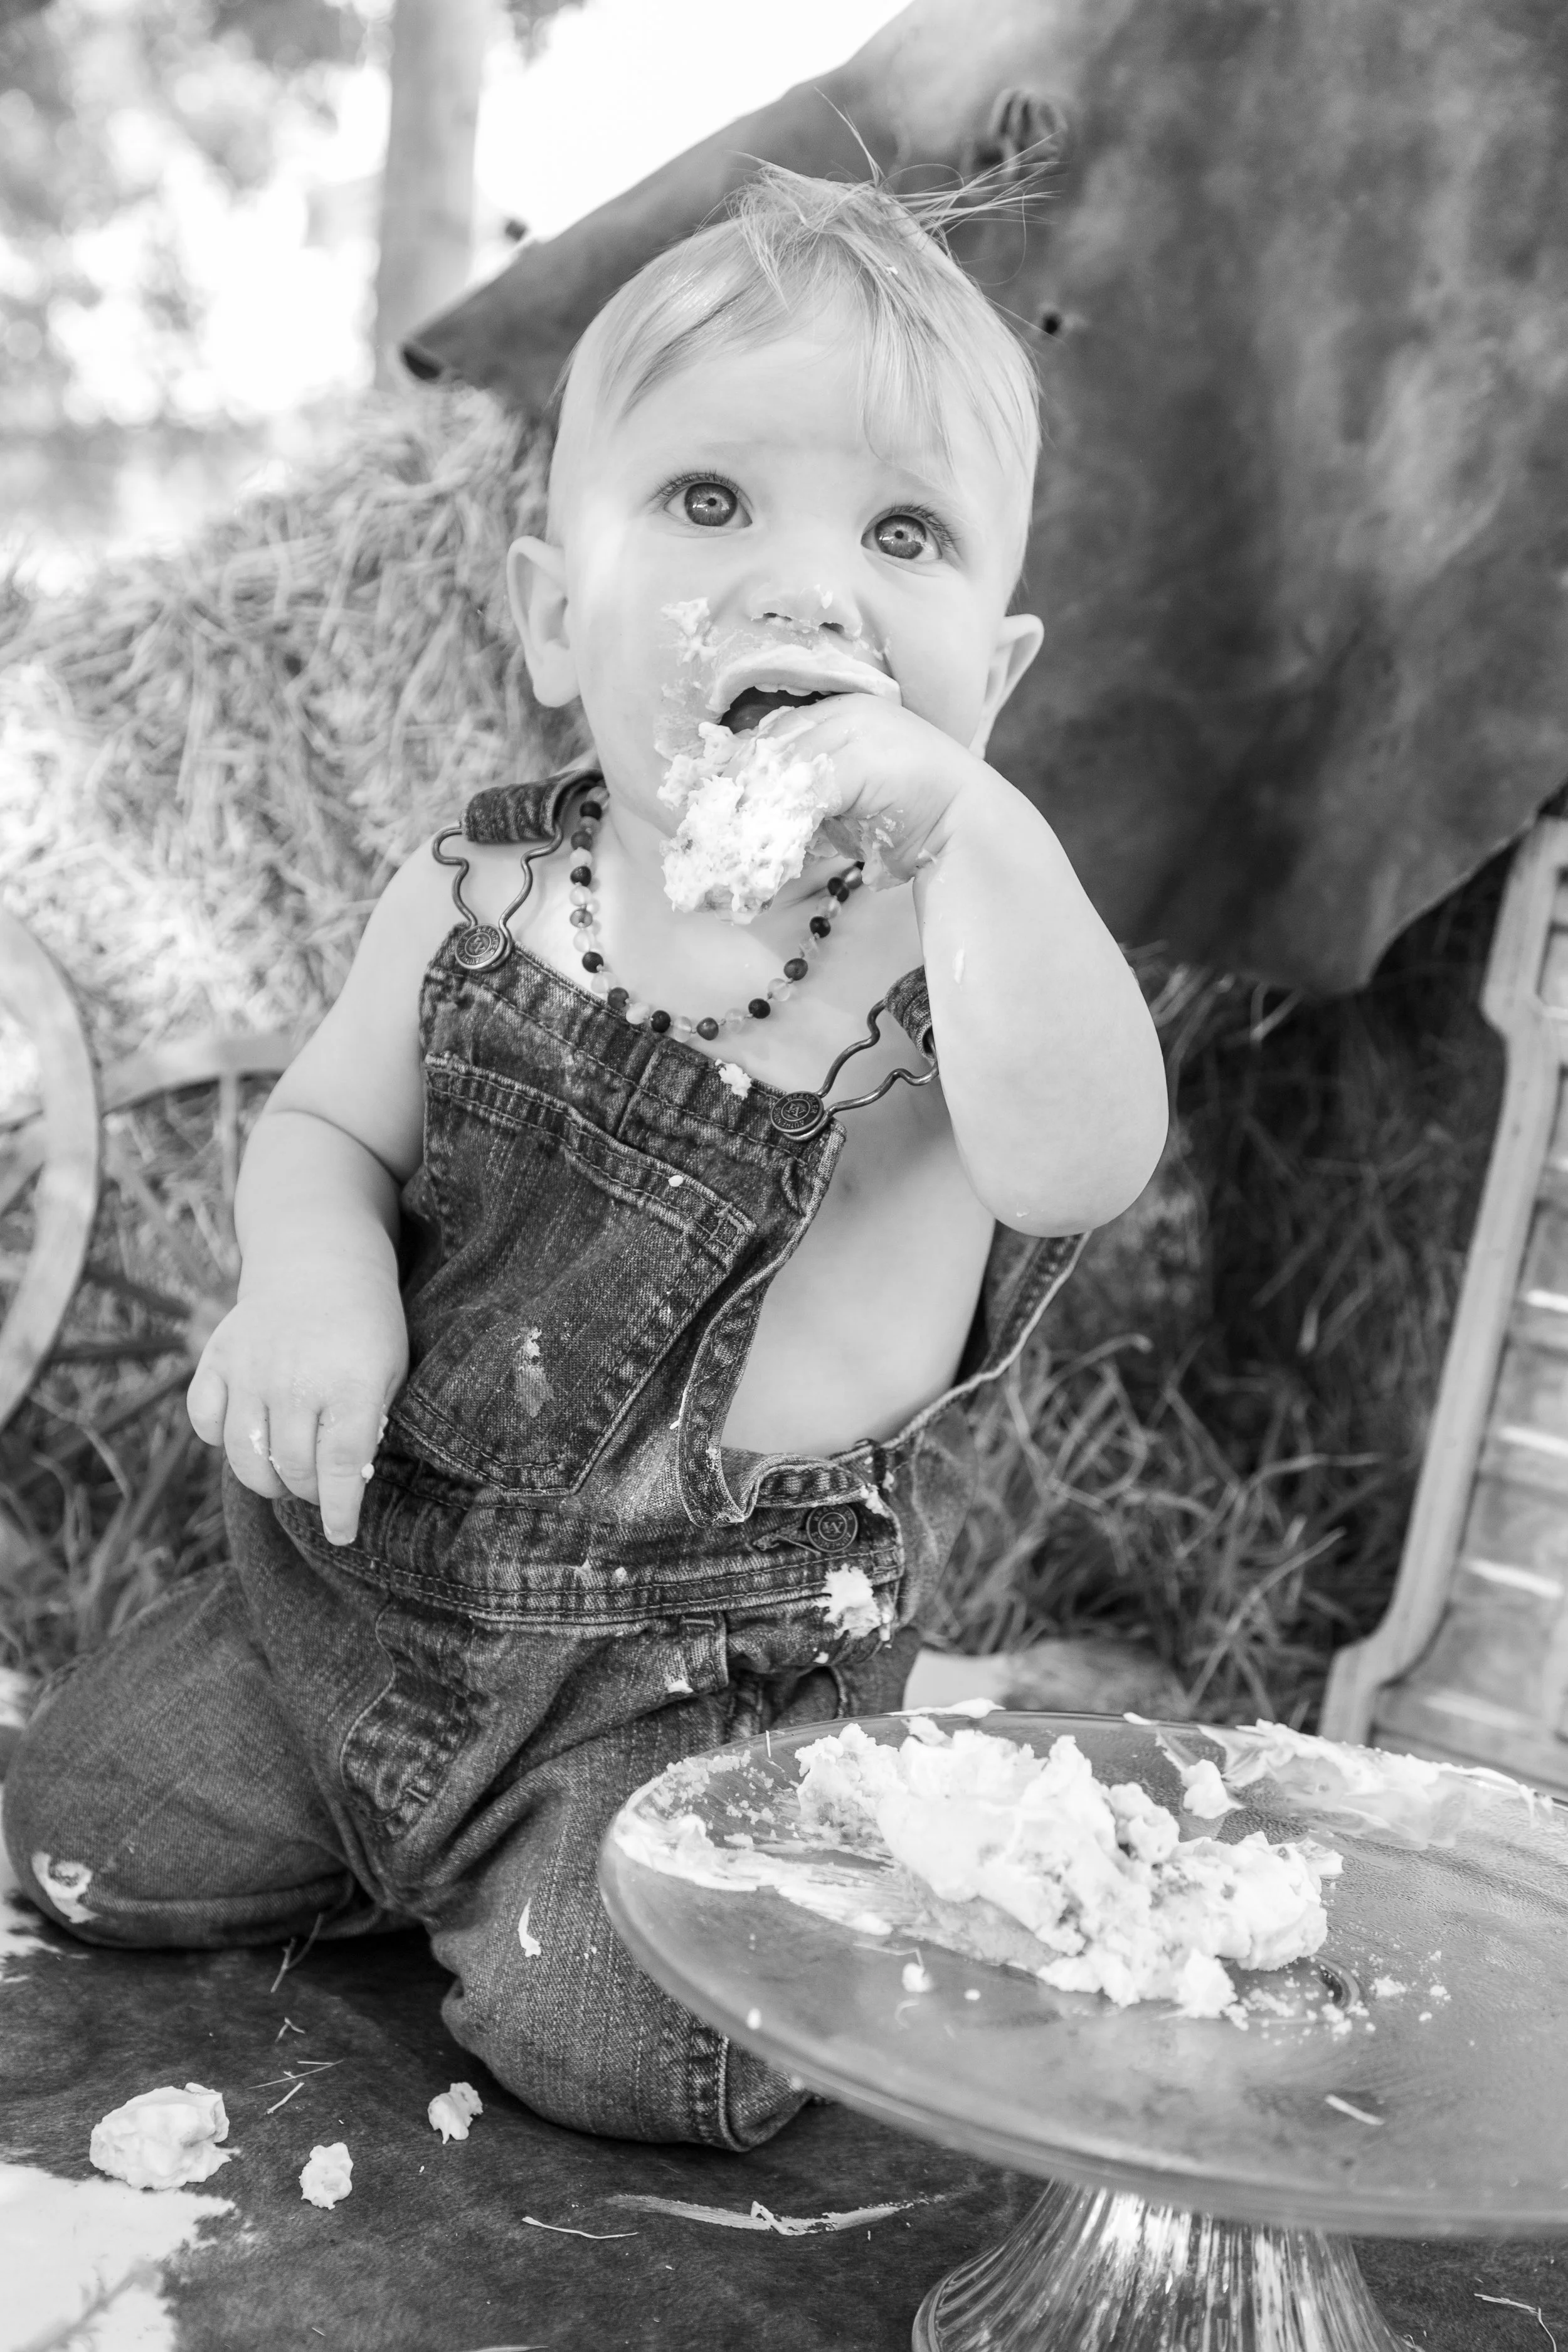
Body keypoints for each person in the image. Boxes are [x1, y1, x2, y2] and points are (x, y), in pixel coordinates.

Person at [6, 167, 1167, 2148]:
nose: (804, 586)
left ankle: (599, 1882)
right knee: (80, 1832)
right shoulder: (480, 888)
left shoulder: (959, 960)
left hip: (690, 1677)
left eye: (903, 532)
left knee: (643, 2052)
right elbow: (324, 1129)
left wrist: (979, 839)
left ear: (994, 672)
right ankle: (408, 1851)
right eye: (711, 503)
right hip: (362, 1602)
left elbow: (1078, 1163)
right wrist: (317, 1271)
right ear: (556, 616)